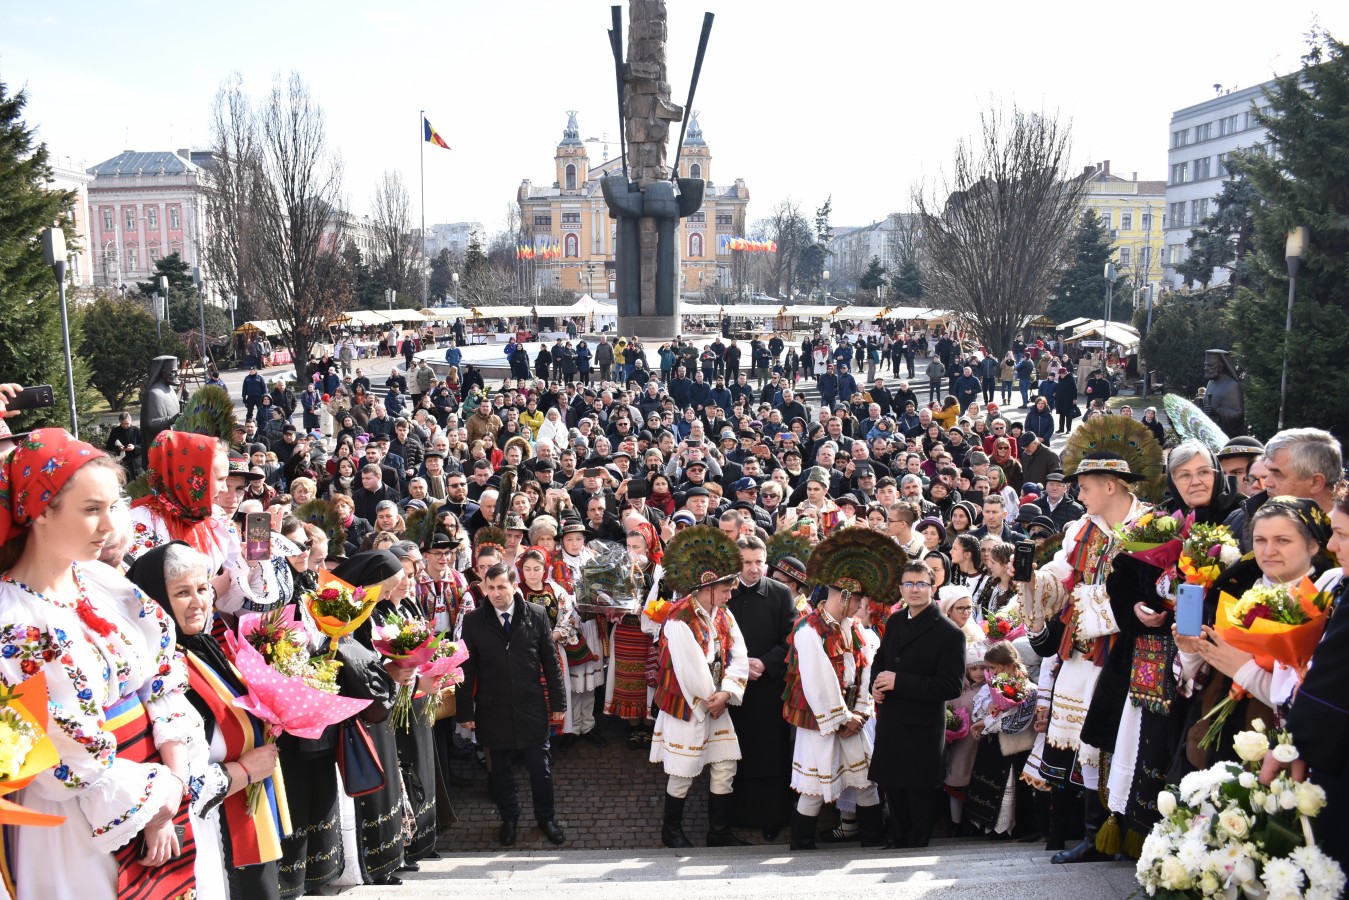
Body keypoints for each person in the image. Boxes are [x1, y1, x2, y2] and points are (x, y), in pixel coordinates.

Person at [0, 430, 200, 900]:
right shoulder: (13, 619)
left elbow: (163, 672)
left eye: (113, 507)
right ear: (41, 510)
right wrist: (155, 801)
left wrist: (173, 777)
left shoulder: (102, 581)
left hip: (156, 786)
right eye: (92, 510)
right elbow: (58, 751)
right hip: (78, 821)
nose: (110, 525)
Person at [126, 541, 285, 899]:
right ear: (154, 599)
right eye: (182, 592)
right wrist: (242, 772)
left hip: (238, 821)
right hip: (201, 837)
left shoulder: (208, 648)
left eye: (202, 588)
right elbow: (174, 778)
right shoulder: (158, 671)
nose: (198, 601)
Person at [781, 528, 887, 850]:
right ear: (842, 595)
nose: (860, 606)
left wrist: (860, 712)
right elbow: (817, 681)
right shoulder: (808, 630)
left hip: (853, 718)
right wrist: (843, 718)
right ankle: (800, 843)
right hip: (822, 721)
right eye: (856, 599)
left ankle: (873, 839)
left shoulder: (857, 628)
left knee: (866, 780)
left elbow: (868, 667)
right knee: (813, 785)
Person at [648, 526, 750, 848]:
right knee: (683, 770)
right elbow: (690, 670)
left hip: (715, 701)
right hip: (688, 704)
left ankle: (718, 833)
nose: (730, 595)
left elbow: (739, 653)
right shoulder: (680, 620)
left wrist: (728, 691)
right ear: (707, 588)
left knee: (724, 765)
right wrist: (714, 699)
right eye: (725, 589)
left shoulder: (722, 615)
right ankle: (671, 831)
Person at [457, 561, 568, 847]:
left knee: (540, 770)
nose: (495, 593)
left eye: (501, 587)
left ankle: (546, 819)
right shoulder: (473, 622)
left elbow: (550, 662)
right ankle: (509, 819)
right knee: (501, 772)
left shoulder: (537, 614)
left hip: (531, 707)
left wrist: (558, 701)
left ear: (514, 586)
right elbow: (466, 670)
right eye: (490, 587)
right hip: (492, 710)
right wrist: (465, 711)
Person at [869, 558, 967, 848]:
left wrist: (900, 681)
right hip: (892, 715)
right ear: (900, 588)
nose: (914, 590)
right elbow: (881, 660)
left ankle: (916, 841)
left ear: (932, 587)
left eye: (921, 584)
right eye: (909, 584)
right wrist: (876, 684)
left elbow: (951, 685)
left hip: (922, 722)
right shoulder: (897, 620)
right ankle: (898, 837)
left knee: (918, 787)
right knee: (893, 784)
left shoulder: (949, 632)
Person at [725, 535, 798, 840]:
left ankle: (773, 817)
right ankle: (734, 815)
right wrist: (739, 666)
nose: (754, 569)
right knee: (735, 753)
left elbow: (791, 639)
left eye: (759, 562)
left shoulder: (781, 593)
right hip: (734, 686)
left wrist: (766, 663)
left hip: (769, 687)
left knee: (771, 752)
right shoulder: (724, 591)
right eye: (747, 563)